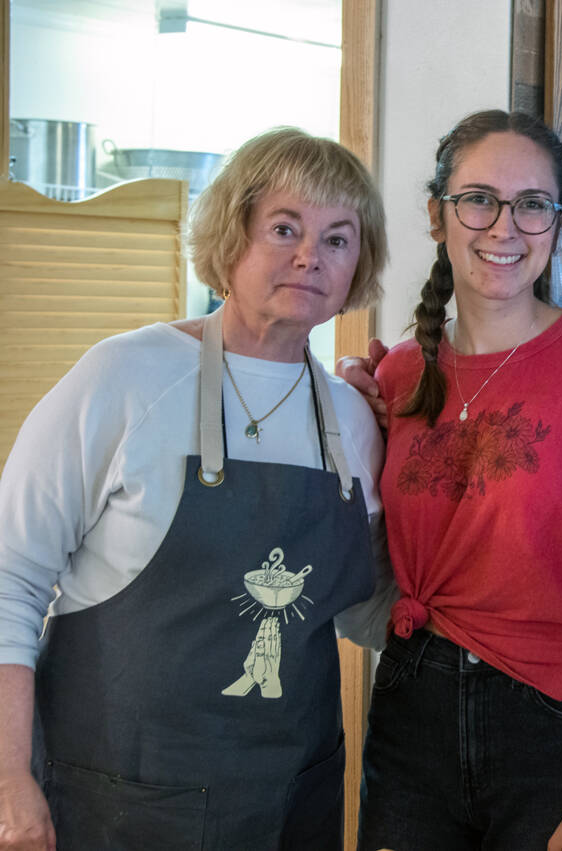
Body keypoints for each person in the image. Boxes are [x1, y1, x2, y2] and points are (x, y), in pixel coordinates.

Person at [0, 127, 396, 850]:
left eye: (339, 238)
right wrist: (7, 783)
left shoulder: (351, 419)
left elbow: (364, 615)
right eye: (285, 227)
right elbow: (9, 581)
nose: (311, 255)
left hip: (291, 802)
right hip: (122, 801)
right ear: (231, 235)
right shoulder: (122, 378)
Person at [355, 110, 562, 851]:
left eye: (532, 205)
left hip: (551, 725)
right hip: (409, 711)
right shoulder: (396, 375)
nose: (505, 227)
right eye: (479, 199)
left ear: (558, 223)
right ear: (438, 215)